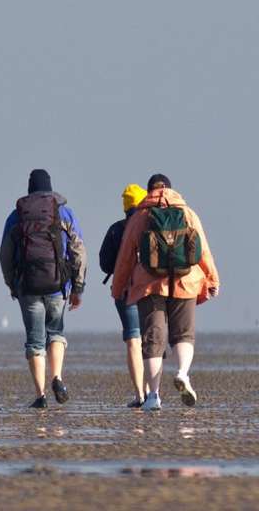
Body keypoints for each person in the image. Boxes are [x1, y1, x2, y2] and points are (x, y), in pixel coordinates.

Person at [110, 174, 220, 411]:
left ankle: (154, 397)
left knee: (152, 340)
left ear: (148, 191)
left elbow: (126, 256)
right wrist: (212, 279)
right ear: (171, 189)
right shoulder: (188, 213)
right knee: (183, 335)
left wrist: (118, 287)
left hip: (149, 285)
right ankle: (182, 373)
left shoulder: (141, 215)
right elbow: (203, 251)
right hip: (186, 281)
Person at [0, 168, 86, 408]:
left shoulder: (16, 216)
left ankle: (41, 396)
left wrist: (11, 283)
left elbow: (4, 253)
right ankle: (57, 377)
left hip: (27, 286)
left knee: (35, 341)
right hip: (58, 284)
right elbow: (79, 250)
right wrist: (78, 286)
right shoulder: (64, 212)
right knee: (56, 333)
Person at [98, 184, 150, 407]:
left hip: (124, 291)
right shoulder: (150, 226)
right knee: (151, 340)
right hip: (149, 289)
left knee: (133, 339)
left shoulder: (116, 229)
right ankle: (153, 392)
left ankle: (140, 394)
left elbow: (104, 263)